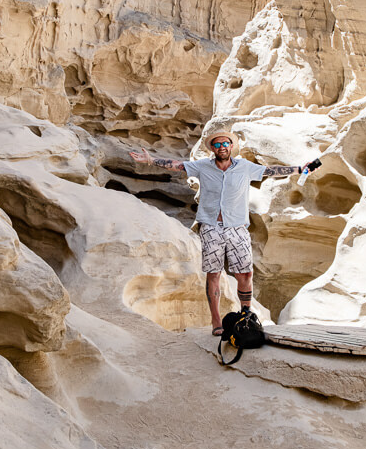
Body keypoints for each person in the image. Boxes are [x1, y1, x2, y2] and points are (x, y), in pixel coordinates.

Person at [130, 131, 320, 335]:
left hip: (237, 227)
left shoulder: (245, 167)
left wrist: (300, 169)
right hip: (211, 227)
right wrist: (151, 160)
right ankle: (215, 322)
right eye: (217, 144)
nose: (222, 147)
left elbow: (271, 171)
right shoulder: (202, 166)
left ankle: (246, 315)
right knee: (214, 274)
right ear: (212, 149)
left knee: (245, 274)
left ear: (231, 147)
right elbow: (177, 165)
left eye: (225, 143)